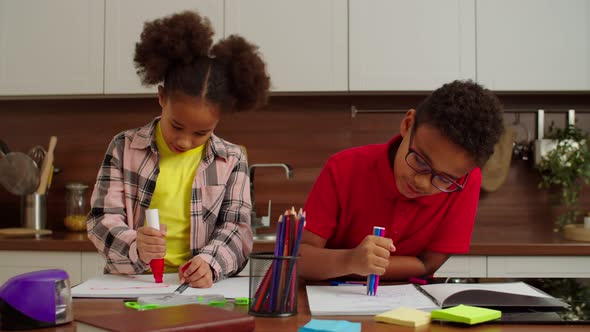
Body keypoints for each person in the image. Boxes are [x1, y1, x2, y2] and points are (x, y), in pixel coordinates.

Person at [87, 11, 270, 288]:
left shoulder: (232, 159)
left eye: (200, 133)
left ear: (219, 119)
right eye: (177, 126)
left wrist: (210, 262)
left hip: (199, 287)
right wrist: (137, 246)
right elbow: (102, 220)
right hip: (132, 283)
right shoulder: (125, 147)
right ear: (161, 97)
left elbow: (238, 229)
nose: (185, 142)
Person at [299, 80, 504, 281]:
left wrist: (365, 265)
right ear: (408, 124)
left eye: (443, 179)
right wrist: (350, 260)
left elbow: (429, 264)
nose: (422, 183)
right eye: (420, 161)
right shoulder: (344, 167)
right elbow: (299, 259)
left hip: (410, 307)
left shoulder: (466, 181)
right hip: (329, 302)